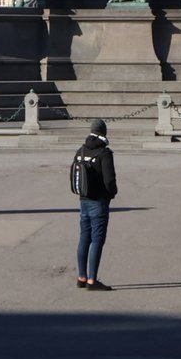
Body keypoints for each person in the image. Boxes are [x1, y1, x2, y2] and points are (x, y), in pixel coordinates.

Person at [71, 118, 118, 290]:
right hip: (99, 202)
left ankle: (81, 277)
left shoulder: (81, 151)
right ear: (104, 133)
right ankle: (92, 280)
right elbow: (109, 180)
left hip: (83, 200)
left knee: (84, 237)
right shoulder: (104, 153)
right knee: (97, 239)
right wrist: (112, 194)